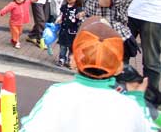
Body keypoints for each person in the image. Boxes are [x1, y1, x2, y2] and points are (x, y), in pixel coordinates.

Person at [20, 16, 155, 132]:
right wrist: (138, 98)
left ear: (73, 61)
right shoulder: (130, 107)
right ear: (120, 67)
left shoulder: (56, 95)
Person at [55, 0, 84, 67]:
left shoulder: (78, 8)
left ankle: (70, 60)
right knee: (63, 46)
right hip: (63, 30)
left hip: (73, 32)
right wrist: (59, 19)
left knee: (72, 47)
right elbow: (61, 14)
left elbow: (80, 17)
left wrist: (80, 16)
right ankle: (61, 59)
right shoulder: (64, 7)